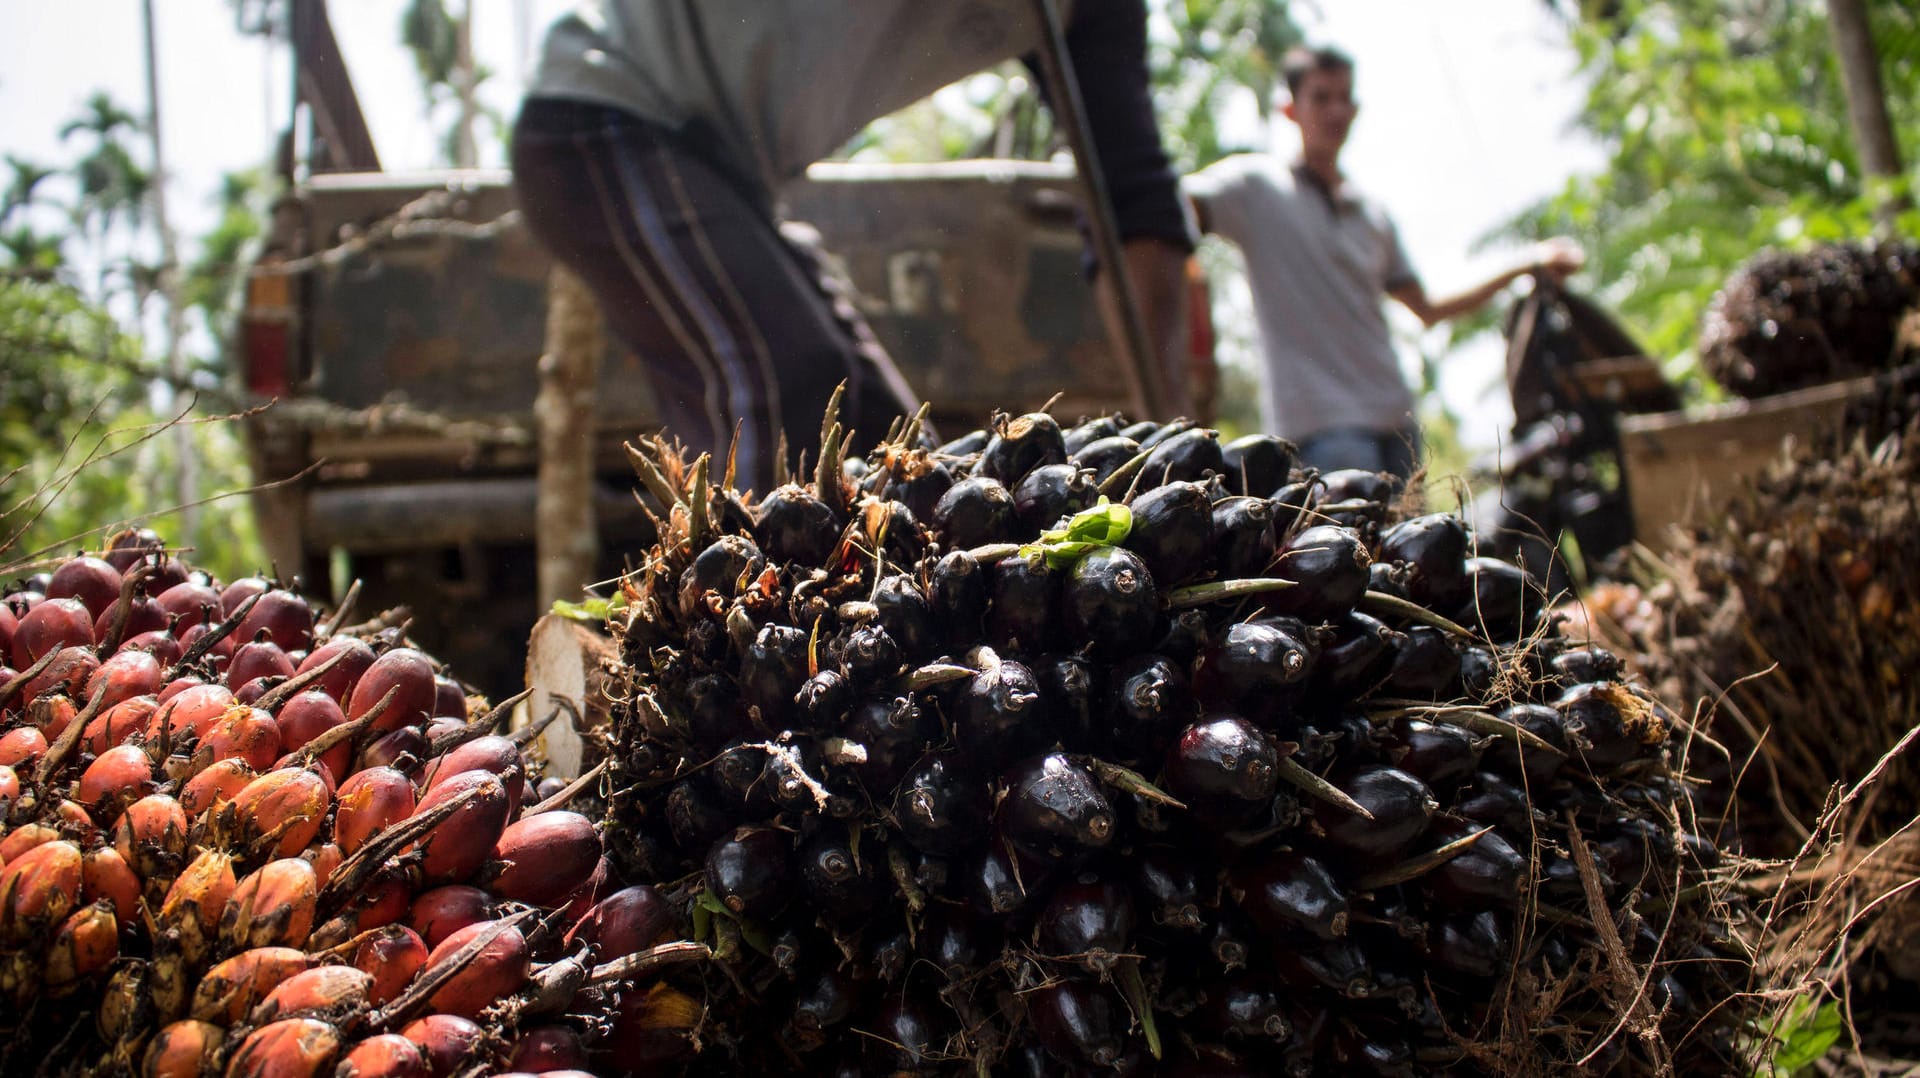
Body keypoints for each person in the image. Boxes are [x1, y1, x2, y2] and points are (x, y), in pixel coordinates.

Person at [511, 1, 1197, 492]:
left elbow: (1133, 203)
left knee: (897, 449)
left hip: (728, 177)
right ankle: (730, 662)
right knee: (780, 390)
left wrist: (1166, 456)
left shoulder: (1091, 13)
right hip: (603, 118)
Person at [1184, 45, 1586, 483]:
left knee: (1420, 549)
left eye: (1344, 98)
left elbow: (1427, 307)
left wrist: (1525, 263)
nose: (1336, 110)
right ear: (1290, 109)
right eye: (1321, 97)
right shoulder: (1255, 188)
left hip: (1398, 426)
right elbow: (1171, 207)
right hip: (1322, 433)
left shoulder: (1371, 213)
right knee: (1346, 549)